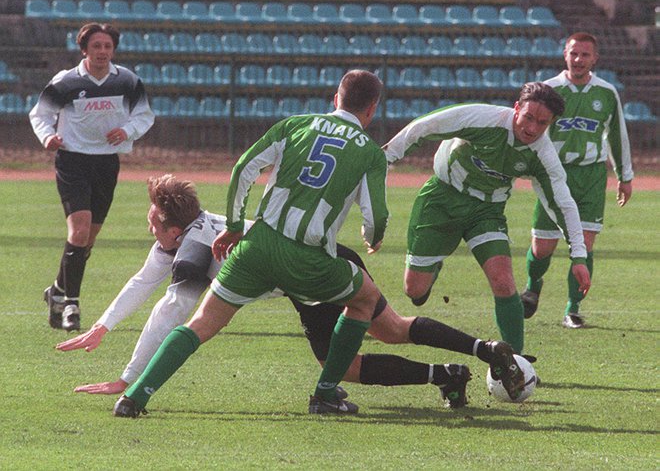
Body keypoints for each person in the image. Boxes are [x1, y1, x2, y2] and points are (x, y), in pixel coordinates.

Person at [57, 174, 522, 410]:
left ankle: (449, 372)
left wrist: (131, 379)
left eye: (152, 218)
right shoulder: (186, 235)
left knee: (353, 360)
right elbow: (144, 280)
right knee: (391, 331)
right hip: (314, 264)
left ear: (173, 228)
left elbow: (173, 305)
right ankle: (474, 356)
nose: (147, 223)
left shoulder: (192, 250)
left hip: (311, 274)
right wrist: (103, 325)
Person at [109, 70, 388, 417]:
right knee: (365, 300)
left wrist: (236, 225)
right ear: (372, 108)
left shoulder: (294, 125)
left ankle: (134, 398)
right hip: (308, 257)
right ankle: (325, 394)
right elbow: (376, 215)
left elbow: (243, 167)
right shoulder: (372, 154)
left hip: (256, 246)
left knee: (200, 323)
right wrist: (373, 237)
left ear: (336, 98)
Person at [383, 82, 592, 356]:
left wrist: (578, 255)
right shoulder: (484, 119)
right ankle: (432, 269)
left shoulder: (543, 154)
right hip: (442, 200)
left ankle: (515, 361)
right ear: (517, 108)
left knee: (504, 281)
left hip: (487, 212)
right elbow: (427, 125)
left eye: (542, 123)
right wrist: (385, 157)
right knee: (415, 292)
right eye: (528, 117)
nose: (531, 128)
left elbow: (563, 203)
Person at [29, 22, 155, 332]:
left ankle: (57, 289)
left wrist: (127, 130)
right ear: (84, 49)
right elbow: (40, 114)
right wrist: (48, 136)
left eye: (107, 47)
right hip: (72, 161)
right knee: (80, 229)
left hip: (106, 164)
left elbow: (144, 115)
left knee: (87, 239)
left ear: (113, 50)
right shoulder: (66, 82)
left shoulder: (127, 80)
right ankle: (71, 303)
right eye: (96, 46)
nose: (102, 52)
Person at [521, 32, 634, 329]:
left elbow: (617, 136)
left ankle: (573, 309)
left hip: (591, 177)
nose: (578, 60)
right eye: (574, 53)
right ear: (565, 55)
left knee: (583, 244)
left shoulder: (607, 93)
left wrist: (625, 176)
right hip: (555, 174)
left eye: (585, 55)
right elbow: (529, 128)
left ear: (594, 58)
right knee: (542, 247)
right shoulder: (549, 90)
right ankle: (532, 287)